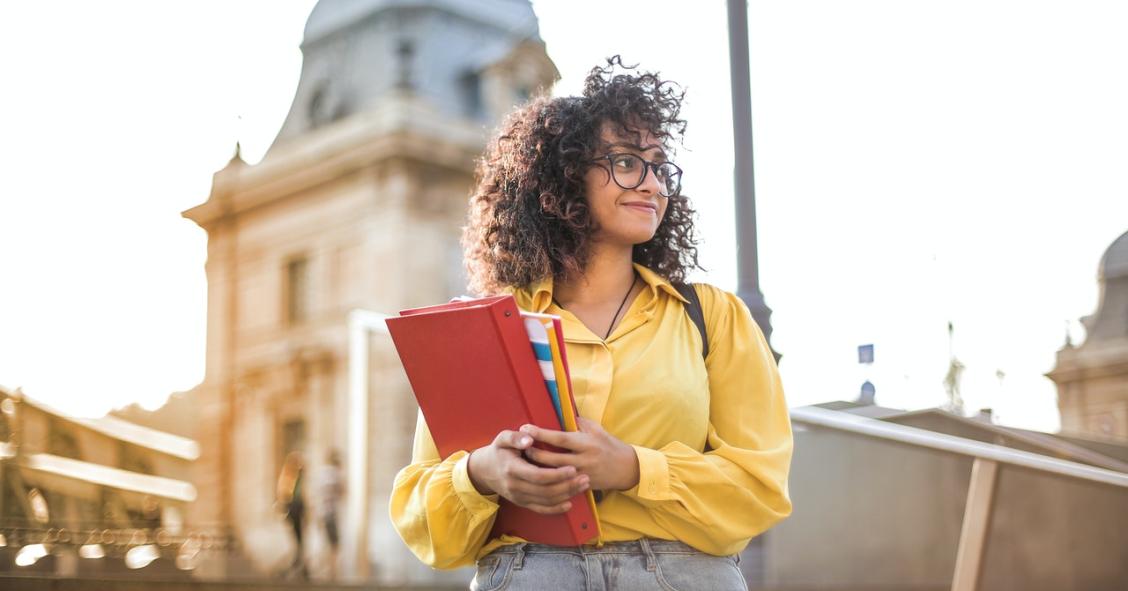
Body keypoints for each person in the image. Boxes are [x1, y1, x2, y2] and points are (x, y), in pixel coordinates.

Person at [390, 57, 793, 590]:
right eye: (626, 162)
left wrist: (631, 468)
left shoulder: (713, 317)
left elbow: (760, 487)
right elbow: (426, 523)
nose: (651, 183)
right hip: (530, 573)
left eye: (659, 165)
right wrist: (482, 473)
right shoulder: (490, 327)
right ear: (564, 175)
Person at [276, 451, 308, 580]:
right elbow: (285, 496)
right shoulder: (289, 477)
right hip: (293, 509)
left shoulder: (298, 478)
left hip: (297, 509)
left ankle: (300, 565)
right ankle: (300, 565)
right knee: (298, 540)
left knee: (300, 540)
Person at [316, 448, 345, 580]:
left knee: (327, 542)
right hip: (330, 512)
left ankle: (328, 571)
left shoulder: (322, 473)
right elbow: (342, 491)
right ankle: (331, 572)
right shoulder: (333, 474)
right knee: (334, 544)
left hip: (322, 512)